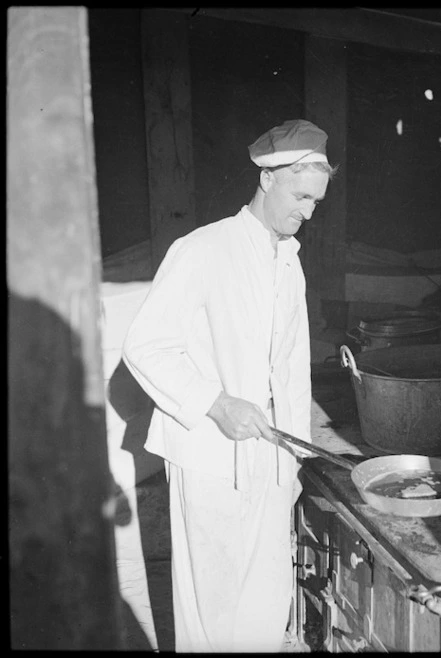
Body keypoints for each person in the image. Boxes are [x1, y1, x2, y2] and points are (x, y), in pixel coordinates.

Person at [122, 119, 336, 652]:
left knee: (266, 592)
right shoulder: (202, 249)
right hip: (209, 451)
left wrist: (291, 457)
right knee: (213, 602)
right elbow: (145, 346)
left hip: (271, 447)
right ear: (267, 179)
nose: (307, 212)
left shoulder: (288, 260)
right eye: (300, 196)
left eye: (316, 201)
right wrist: (215, 404)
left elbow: (289, 367)